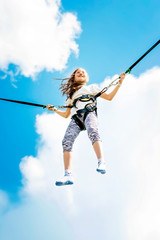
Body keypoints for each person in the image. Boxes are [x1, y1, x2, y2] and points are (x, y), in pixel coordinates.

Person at [46, 68, 126, 186]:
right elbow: (66, 115)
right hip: (76, 119)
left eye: (83, 72)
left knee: (93, 131)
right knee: (66, 141)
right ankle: (68, 175)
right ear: (74, 78)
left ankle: (101, 161)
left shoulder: (92, 88)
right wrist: (54, 110)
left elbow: (109, 97)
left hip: (89, 112)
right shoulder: (70, 97)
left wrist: (120, 82)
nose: (81, 73)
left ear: (87, 77)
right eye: (78, 72)